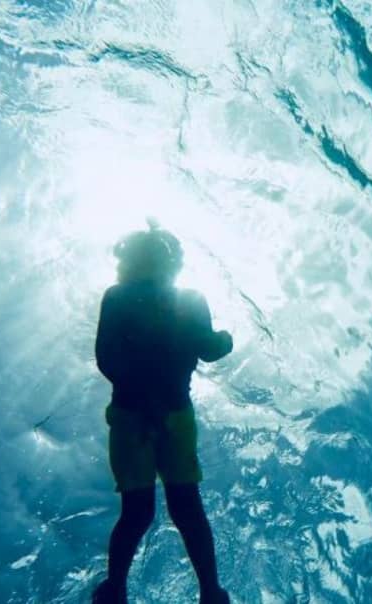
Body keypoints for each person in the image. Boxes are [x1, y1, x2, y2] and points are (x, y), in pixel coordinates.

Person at [92, 224, 233, 604]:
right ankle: (208, 592)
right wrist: (223, 341)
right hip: (157, 414)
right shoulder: (185, 299)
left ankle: (116, 589)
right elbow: (208, 348)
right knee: (182, 507)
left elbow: (106, 359)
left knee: (144, 512)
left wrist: (217, 343)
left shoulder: (120, 296)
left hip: (138, 415)